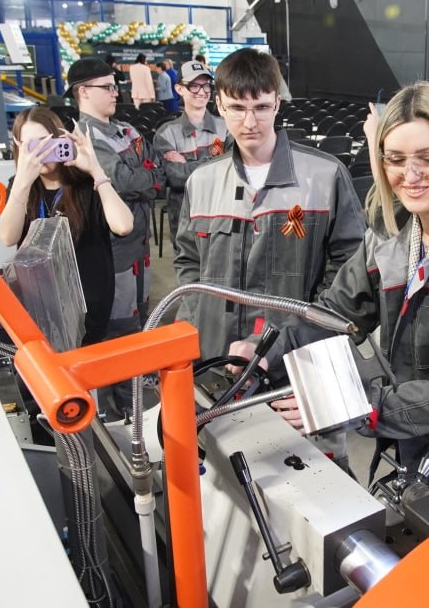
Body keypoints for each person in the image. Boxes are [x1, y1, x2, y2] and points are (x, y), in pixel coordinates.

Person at [233, 82, 429, 500]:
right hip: (420, 439)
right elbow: (335, 312)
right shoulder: (392, 233)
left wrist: (356, 404)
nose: (410, 175)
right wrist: (266, 352)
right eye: (396, 159)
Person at [174, 48, 366, 467]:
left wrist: (299, 335)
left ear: (277, 102)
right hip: (218, 368)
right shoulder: (201, 182)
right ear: (219, 104)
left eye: (261, 107)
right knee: (228, 476)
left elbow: (351, 272)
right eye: (237, 108)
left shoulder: (325, 175)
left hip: (298, 371)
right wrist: (196, 328)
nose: (250, 122)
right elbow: (188, 263)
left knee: (319, 481)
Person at [67, 57, 166, 410]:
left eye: (115, 86)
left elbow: (156, 170)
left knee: (141, 318)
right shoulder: (84, 138)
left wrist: (146, 180)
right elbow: (124, 181)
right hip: (114, 252)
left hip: (139, 246)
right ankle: (124, 407)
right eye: (107, 87)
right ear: (83, 92)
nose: (115, 93)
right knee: (120, 329)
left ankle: (135, 389)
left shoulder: (127, 130)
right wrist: (147, 180)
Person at [0, 106, 133, 346]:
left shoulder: (86, 184)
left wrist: (96, 170)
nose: (40, 152)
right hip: (39, 306)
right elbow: (8, 237)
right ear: (19, 148)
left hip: (88, 308)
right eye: (31, 145)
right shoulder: (21, 188)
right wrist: (21, 182)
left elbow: (123, 226)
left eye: (46, 142)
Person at [153, 60, 229, 250]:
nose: (202, 91)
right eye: (194, 86)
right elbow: (175, 178)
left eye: (206, 85)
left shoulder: (226, 127)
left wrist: (186, 164)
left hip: (221, 219)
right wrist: (214, 163)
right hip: (184, 224)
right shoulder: (166, 133)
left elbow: (232, 171)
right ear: (179, 89)